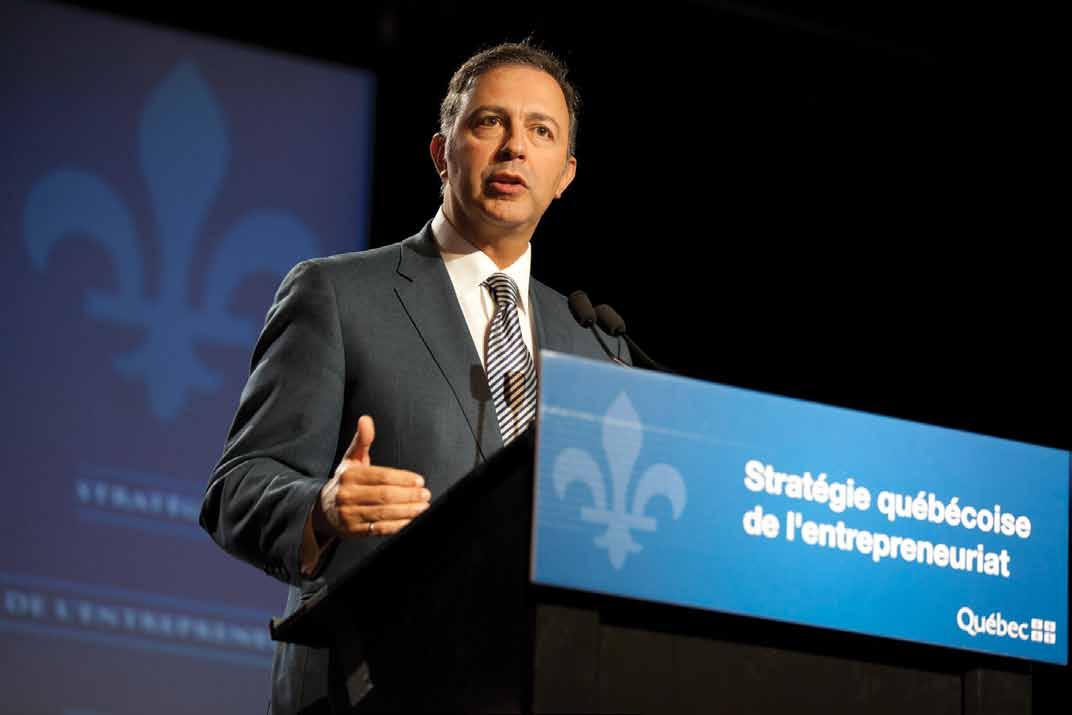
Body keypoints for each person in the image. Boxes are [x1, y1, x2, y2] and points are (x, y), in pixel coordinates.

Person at [199, 41, 626, 714]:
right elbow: (238, 488)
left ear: (565, 175)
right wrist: (322, 510)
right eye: (490, 122)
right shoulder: (337, 295)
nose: (515, 147)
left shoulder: (598, 344)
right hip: (372, 688)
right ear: (441, 152)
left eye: (541, 131)